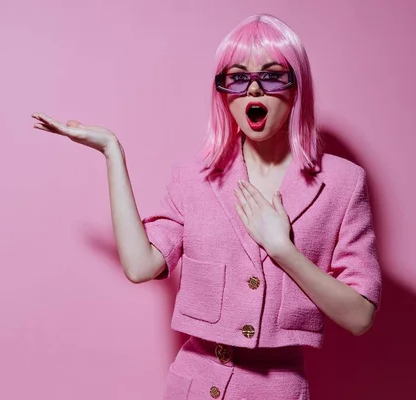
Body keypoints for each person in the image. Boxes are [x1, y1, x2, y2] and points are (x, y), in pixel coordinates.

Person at [32, 13, 381, 400]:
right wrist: (112, 152)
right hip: (193, 384)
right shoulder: (193, 178)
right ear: (222, 93)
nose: (253, 91)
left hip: (277, 389)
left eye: (271, 76)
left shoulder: (343, 183)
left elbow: (360, 317)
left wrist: (283, 250)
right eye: (236, 77)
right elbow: (140, 265)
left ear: (297, 87)